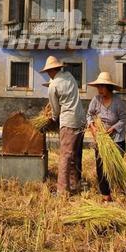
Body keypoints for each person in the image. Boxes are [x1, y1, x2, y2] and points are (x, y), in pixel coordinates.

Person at [42, 56, 85, 195]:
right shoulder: (70, 76)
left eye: (48, 71)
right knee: (75, 155)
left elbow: (55, 110)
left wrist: (52, 118)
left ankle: (61, 191)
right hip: (80, 120)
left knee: (65, 157)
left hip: (69, 122)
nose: (48, 73)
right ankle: (74, 184)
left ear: (51, 70)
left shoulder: (53, 86)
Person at [86, 71, 126, 202]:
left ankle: (120, 191)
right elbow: (89, 115)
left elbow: (124, 118)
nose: (99, 89)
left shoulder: (118, 102)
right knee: (101, 167)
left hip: (116, 140)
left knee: (114, 167)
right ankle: (106, 195)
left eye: (102, 86)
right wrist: (92, 127)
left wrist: (113, 128)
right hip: (101, 139)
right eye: (98, 86)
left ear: (109, 87)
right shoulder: (96, 100)